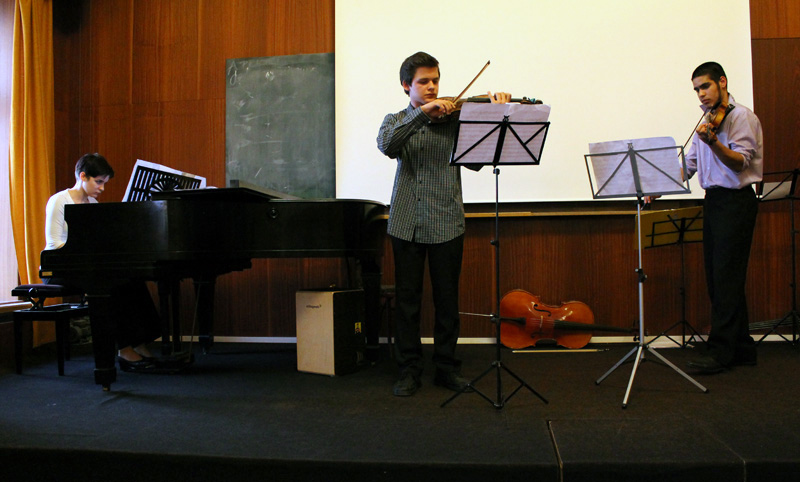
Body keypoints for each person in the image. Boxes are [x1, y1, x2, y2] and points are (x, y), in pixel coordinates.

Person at [377, 52, 511, 396]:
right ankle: (408, 370)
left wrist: (493, 116)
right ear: (406, 85)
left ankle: (447, 368)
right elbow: (388, 146)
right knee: (408, 302)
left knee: (447, 302)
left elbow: (478, 162)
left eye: (435, 80)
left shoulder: (454, 121)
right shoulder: (395, 121)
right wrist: (423, 114)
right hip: (406, 222)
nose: (432, 87)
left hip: (447, 221)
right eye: (423, 81)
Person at [44, 153, 162, 373]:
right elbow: (54, 243)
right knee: (112, 285)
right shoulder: (59, 201)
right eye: (98, 182)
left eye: (104, 182)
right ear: (82, 176)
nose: (102, 188)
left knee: (132, 280)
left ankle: (139, 341)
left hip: (87, 266)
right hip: (60, 267)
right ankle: (124, 349)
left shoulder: (92, 203)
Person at [682, 62, 763, 373]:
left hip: (736, 202)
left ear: (722, 82)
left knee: (726, 278)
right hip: (714, 201)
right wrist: (658, 186)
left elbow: (740, 163)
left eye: (705, 86)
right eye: (696, 90)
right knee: (719, 279)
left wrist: (714, 143)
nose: (701, 94)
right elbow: (689, 164)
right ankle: (742, 348)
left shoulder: (741, 117)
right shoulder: (707, 120)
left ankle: (720, 351)